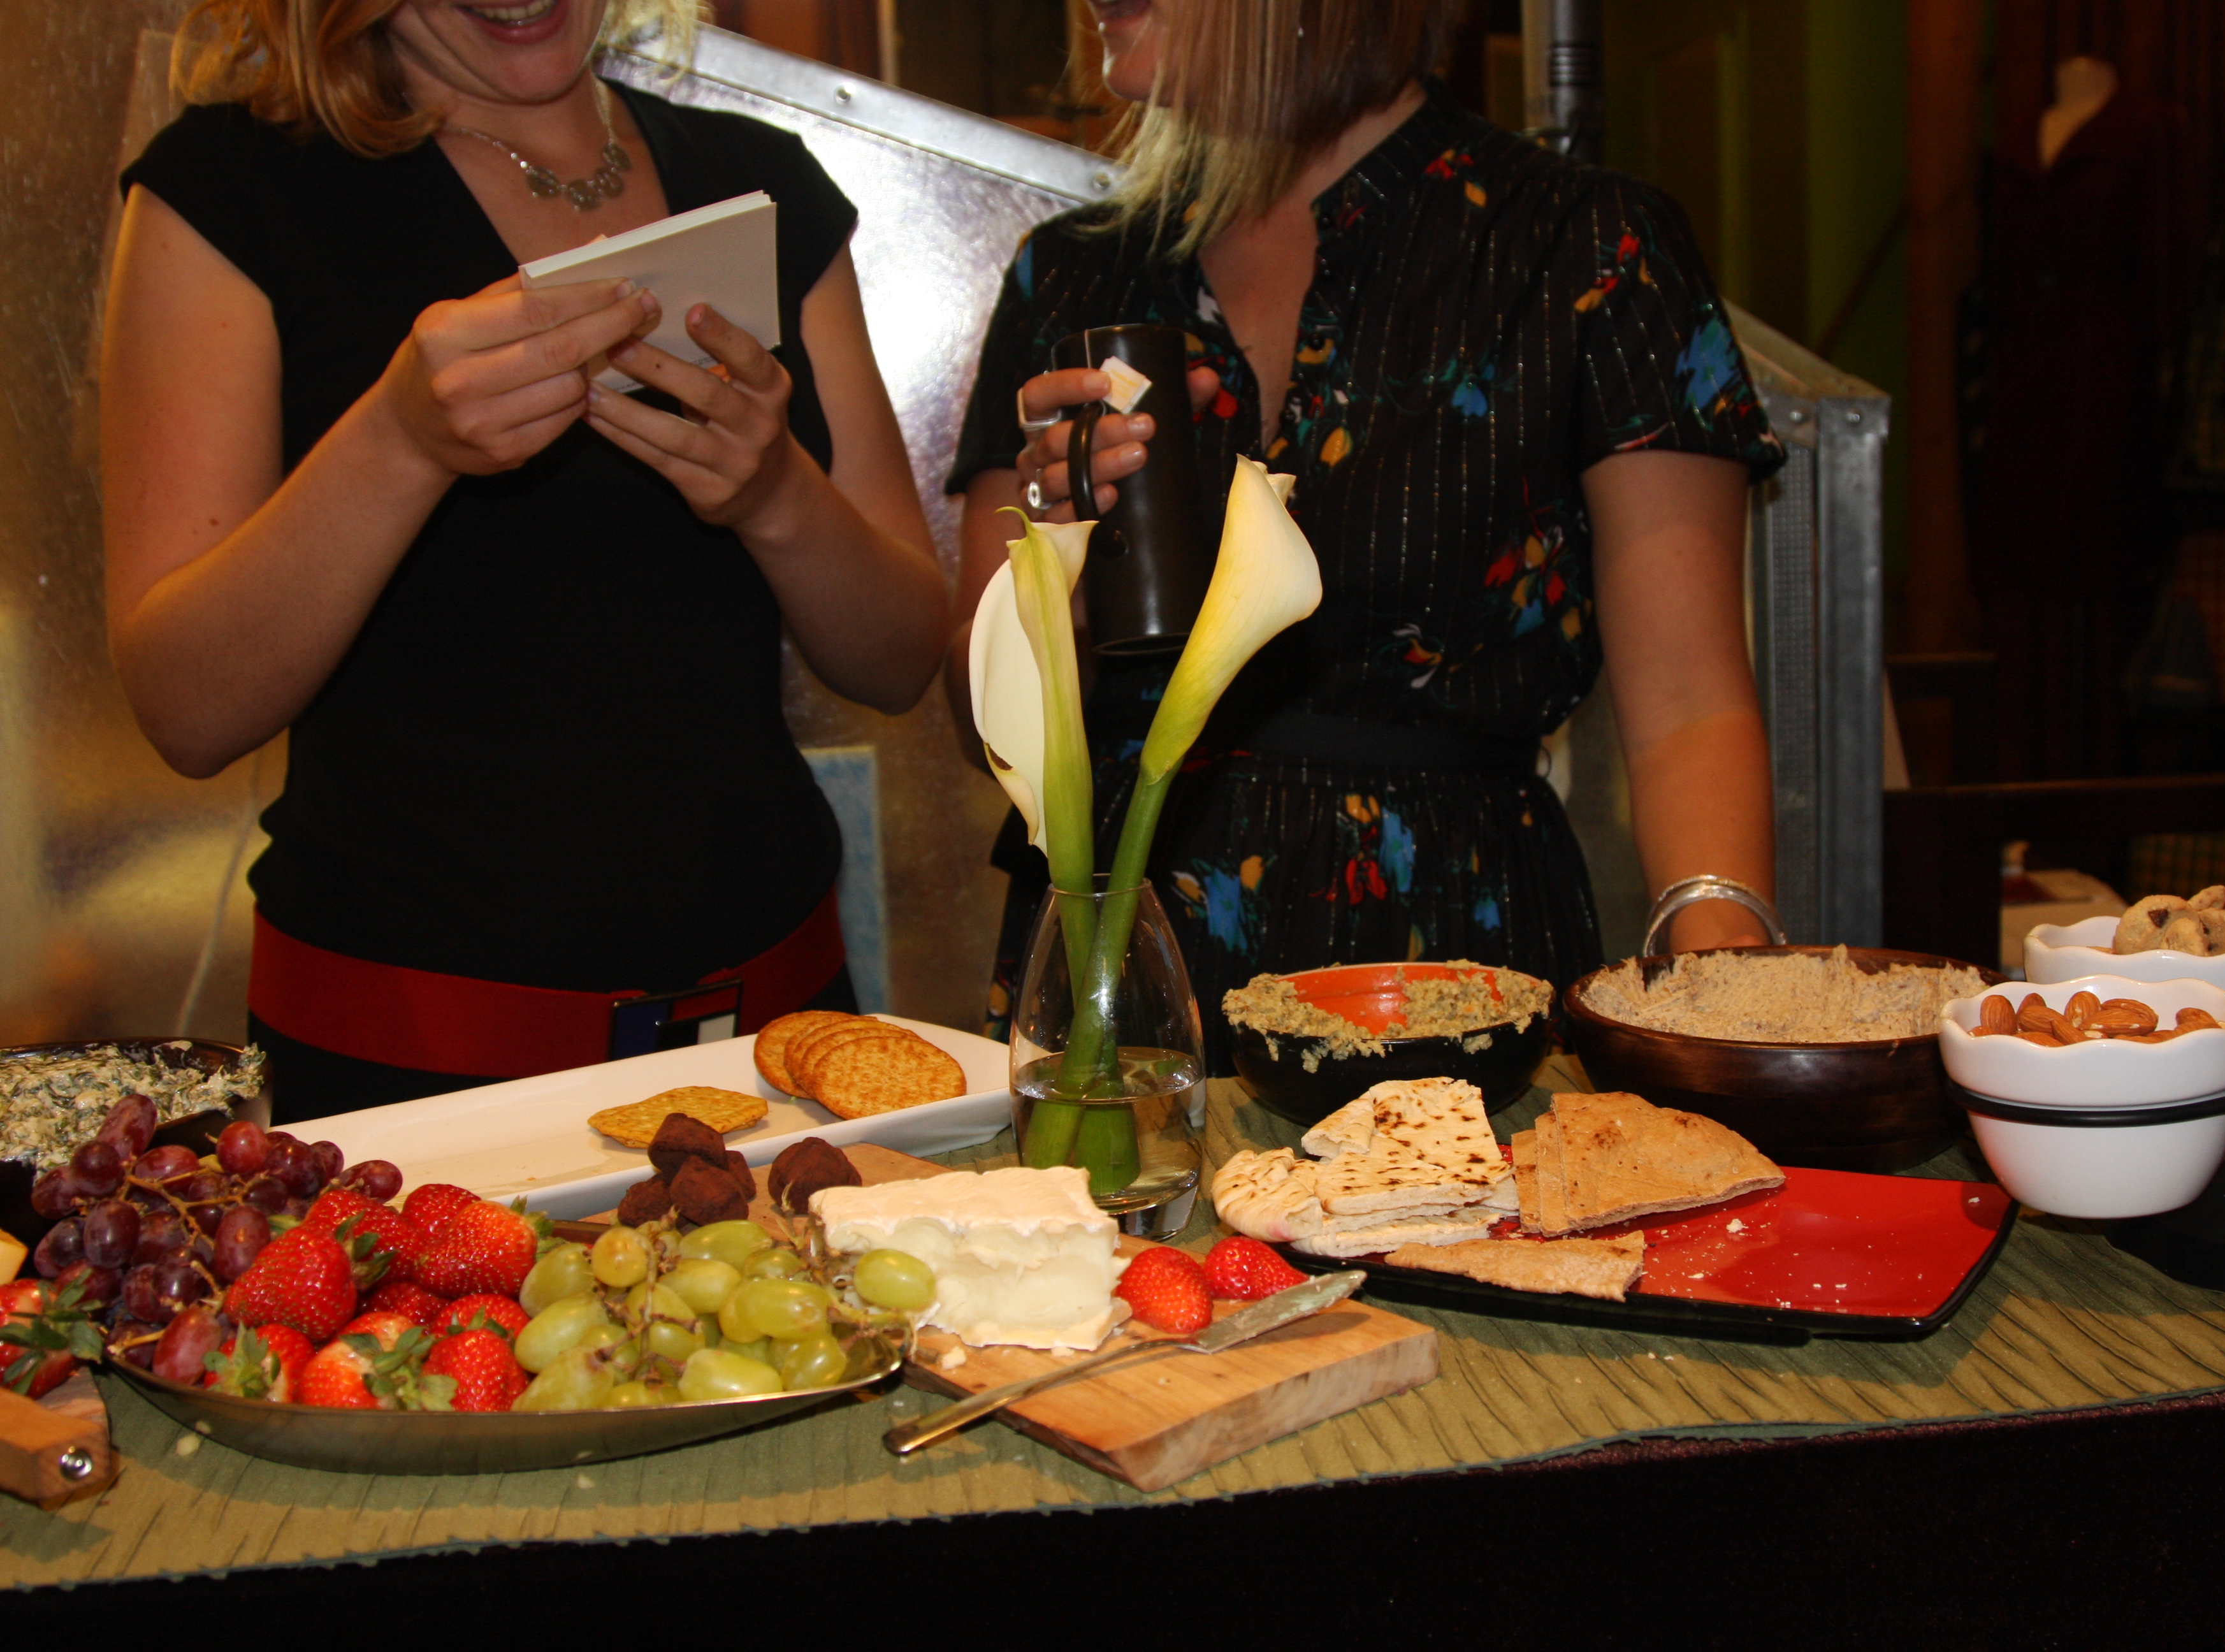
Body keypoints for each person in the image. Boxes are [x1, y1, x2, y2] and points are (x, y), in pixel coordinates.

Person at [103, 0, 947, 1119]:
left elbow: (901, 657)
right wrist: (398, 443)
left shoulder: (757, 179)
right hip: (408, 1077)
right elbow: (187, 709)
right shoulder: (228, 186)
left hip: (775, 1050)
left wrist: (776, 494)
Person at [946, 0, 1786, 1068]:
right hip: (1122, 972)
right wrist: (1049, 560)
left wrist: (1728, 1016)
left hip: (1444, 971)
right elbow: (978, 723)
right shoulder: (1070, 272)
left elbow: (1689, 709)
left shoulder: (1587, 246)